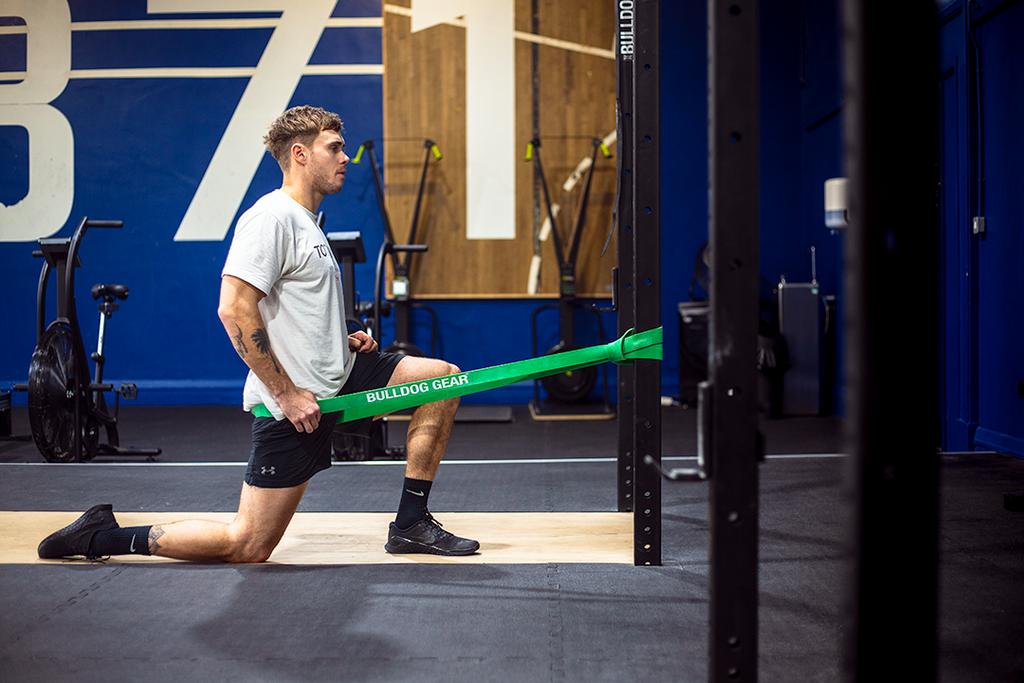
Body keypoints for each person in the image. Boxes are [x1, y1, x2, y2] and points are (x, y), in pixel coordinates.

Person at [38, 105, 478, 562]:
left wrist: (344, 333)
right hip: (294, 404)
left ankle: (410, 523)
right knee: (248, 544)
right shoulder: (271, 217)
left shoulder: (308, 222)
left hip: (341, 375)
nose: (346, 157)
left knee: (442, 381)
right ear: (300, 154)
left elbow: (293, 307)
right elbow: (234, 309)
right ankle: (101, 536)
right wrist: (285, 393)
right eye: (335, 148)